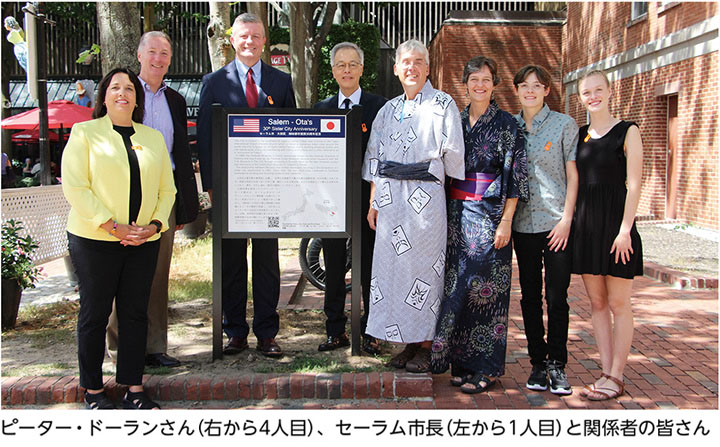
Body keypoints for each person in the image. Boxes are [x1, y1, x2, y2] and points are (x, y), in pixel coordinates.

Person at [62, 67, 176, 409]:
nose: (123, 92)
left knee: (134, 314)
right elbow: (76, 187)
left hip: (143, 240)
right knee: (95, 314)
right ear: (104, 95)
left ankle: (133, 387)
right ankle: (93, 390)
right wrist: (113, 227)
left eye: (129, 87)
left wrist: (154, 226)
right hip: (95, 240)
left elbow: (166, 190)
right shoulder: (84, 133)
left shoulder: (152, 138)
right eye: (115, 87)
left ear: (137, 98)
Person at [362, 39, 465, 373]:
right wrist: (373, 202)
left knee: (424, 272)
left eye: (419, 61)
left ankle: (425, 344)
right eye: (406, 61)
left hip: (425, 201)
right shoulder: (386, 111)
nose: (412, 67)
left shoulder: (443, 103)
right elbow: (375, 159)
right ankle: (405, 340)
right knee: (393, 272)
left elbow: (453, 158)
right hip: (390, 200)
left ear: (428, 67)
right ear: (396, 68)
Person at [198, 12, 296, 358]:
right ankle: (235, 331)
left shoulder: (281, 83)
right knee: (232, 262)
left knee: (268, 262)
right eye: (243, 36)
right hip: (230, 191)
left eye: (256, 36)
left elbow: (292, 138)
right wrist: (210, 187)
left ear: (264, 40)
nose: (250, 42)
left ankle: (267, 333)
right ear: (232, 40)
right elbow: (206, 138)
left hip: (269, 191)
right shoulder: (214, 82)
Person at [431, 56, 528, 394]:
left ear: (494, 83)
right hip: (455, 216)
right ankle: (461, 362)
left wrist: (506, 223)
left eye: (486, 79)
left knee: (486, 294)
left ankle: (486, 367)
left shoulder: (507, 125)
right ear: (465, 83)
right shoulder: (453, 121)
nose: (480, 85)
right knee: (457, 288)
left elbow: (516, 178)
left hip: (489, 217)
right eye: (474, 79)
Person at [106, 31, 199, 369]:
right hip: (128, 191)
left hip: (166, 193)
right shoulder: (124, 92)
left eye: (165, 53)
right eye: (153, 52)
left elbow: (181, 153)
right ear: (139, 55)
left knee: (158, 273)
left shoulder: (176, 99)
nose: (158, 59)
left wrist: (188, 202)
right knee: (124, 268)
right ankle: (119, 347)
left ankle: (155, 345)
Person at [572, 69, 643, 401]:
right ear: (581, 97)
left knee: (618, 303)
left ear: (610, 91)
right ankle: (605, 372)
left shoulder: (628, 132)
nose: (593, 97)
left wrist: (625, 230)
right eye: (587, 93)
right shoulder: (580, 134)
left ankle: (617, 375)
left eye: (598, 90)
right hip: (587, 228)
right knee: (597, 303)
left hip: (617, 229)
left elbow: (635, 184)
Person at [314, 42, 387, 355]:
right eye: (340, 65)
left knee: (370, 264)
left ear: (361, 69)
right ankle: (335, 331)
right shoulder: (321, 108)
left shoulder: (379, 107)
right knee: (332, 265)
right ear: (333, 71)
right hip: (330, 201)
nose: (346, 70)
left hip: (367, 200)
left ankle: (370, 332)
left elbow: (384, 156)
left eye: (352, 64)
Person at [510, 65, 579, 395]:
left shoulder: (564, 125)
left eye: (536, 86)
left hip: (556, 225)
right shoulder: (510, 127)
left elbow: (573, 175)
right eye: (524, 86)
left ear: (547, 90)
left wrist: (567, 219)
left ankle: (558, 364)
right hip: (523, 225)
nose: (530, 91)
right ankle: (538, 363)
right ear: (517, 90)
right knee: (529, 297)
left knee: (557, 297)